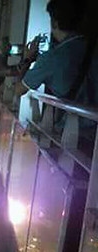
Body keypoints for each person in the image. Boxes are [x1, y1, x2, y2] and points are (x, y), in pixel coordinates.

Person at [16, 0, 96, 153]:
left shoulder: (52, 58)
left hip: (73, 138)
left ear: (54, 22)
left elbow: (18, 90)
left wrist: (28, 59)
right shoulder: (92, 48)